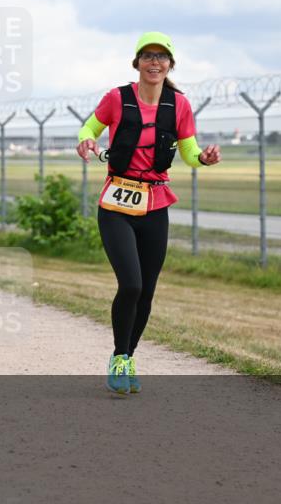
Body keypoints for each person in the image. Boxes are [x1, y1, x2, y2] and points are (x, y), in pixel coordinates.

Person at [77, 32, 221, 395]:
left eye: (161, 57)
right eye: (147, 56)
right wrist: (87, 140)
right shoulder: (117, 98)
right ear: (136, 62)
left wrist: (202, 159)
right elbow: (90, 127)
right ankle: (120, 356)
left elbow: (188, 152)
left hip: (156, 205)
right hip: (116, 206)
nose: (154, 62)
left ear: (170, 64)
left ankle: (126, 356)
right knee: (132, 284)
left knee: (147, 292)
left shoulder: (179, 106)